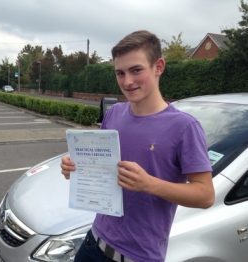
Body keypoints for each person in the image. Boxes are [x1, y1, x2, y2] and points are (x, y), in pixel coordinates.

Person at [60, 30, 215, 262]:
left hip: (138, 257)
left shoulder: (185, 126)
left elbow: (205, 195)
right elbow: (104, 170)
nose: (127, 81)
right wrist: (76, 168)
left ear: (158, 67)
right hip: (94, 243)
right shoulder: (114, 113)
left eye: (136, 70)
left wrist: (149, 184)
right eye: (120, 73)